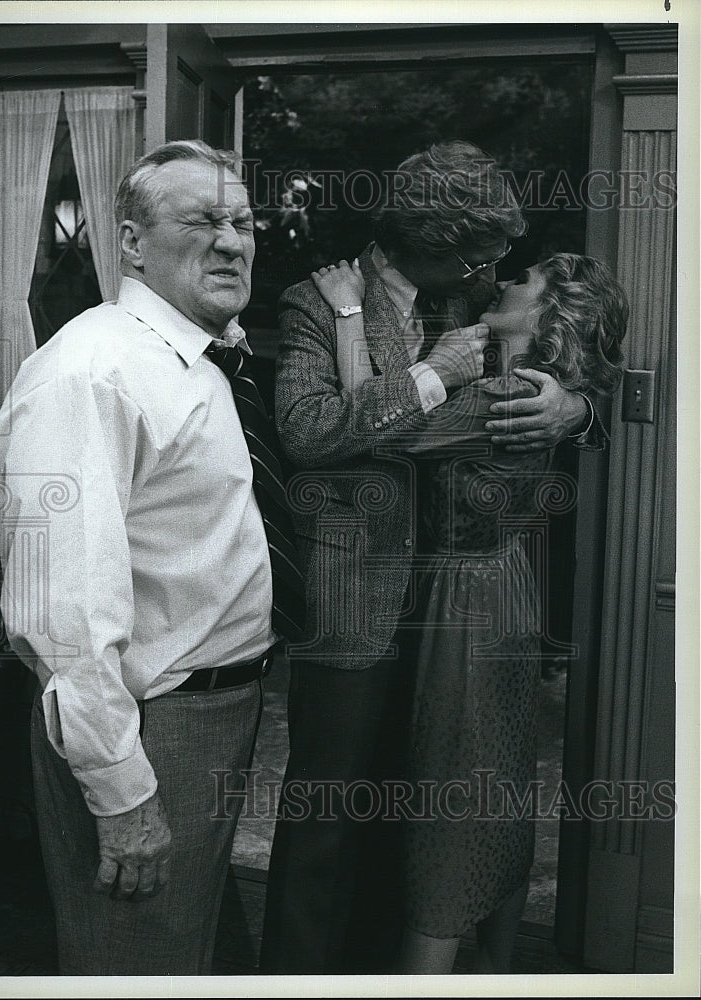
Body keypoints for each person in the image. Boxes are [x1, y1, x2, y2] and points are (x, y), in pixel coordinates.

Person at [259, 139, 602, 975]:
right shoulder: (316, 300)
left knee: (429, 806)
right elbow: (308, 433)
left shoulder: (482, 298)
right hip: (357, 599)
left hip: (462, 606)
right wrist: (429, 373)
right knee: (328, 816)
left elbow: (569, 348)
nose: (497, 268)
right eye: (481, 252)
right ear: (435, 240)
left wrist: (574, 409)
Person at [0, 139, 304, 975]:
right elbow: (62, 620)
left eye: (241, 222)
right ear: (131, 242)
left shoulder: (207, 357)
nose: (233, 241)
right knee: (129, 969)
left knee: (183, 951)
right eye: (202, 220)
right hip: (147, 729)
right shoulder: (89, 373)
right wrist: (123, 796)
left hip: (219, 713)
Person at [310, 252, 628, 974]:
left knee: (449, 788)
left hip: (464, 603)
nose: (508, 279)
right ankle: (495, 964)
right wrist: (576, 408)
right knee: (497, 778)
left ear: (548, 316)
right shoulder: (537, 387)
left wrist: (348, 312)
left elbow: (375, 424)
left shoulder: (504, 396)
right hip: (505, 588)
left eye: (527, 281)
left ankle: (430, 971)